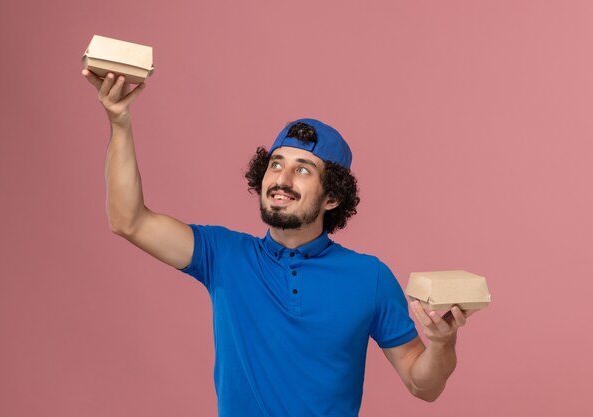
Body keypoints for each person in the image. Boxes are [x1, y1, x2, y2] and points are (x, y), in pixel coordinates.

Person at [82, 70, 475, 417]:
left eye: (302, 169)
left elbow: (423, 385)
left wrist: (442, 344)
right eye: (276, 163)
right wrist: (120, 122)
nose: (282, 178)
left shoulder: (368, 276)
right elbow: (127, 220)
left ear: (332, 197)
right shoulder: (223, 255)